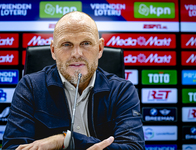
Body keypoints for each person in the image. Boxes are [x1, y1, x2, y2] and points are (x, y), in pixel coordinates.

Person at [2, 11, 145, 150]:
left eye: (86, 43)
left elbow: (134, 147)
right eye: (66, 44)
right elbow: (13, 147)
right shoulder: (30, 87)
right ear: (53, 50)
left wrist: (66, 140)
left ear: (100, 48)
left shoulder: (122, 91)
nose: (77, 54)